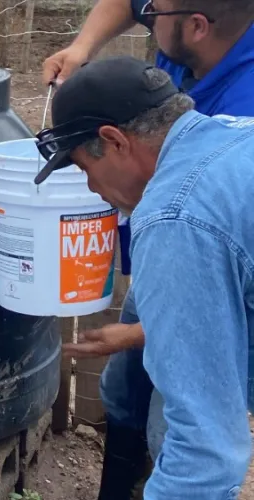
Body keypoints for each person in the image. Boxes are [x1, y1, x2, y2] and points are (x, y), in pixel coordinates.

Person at [42, 2, 254, 497]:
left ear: (115, 141)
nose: (92, 189)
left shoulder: (172, 217)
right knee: (125, 382)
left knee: (183, 434)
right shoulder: (228, 133)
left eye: (85, 168)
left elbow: (206, 452)